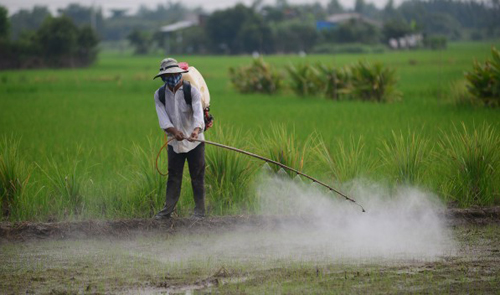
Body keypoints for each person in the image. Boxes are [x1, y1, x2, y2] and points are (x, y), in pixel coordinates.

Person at [152, 58, 206, 220]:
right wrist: (174, 131)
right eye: (168, 75)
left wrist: (195, 131)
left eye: (174, 74)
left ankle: (200, 211)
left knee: (197, 176)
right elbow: (163, 119)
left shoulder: (192, 92)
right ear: (163, 77)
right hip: (174, 143)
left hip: (195, 142)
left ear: (180, 74)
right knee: (174, 176)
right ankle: (167, 211)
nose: (172, 78)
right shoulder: (159, 95)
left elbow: (198, 113)